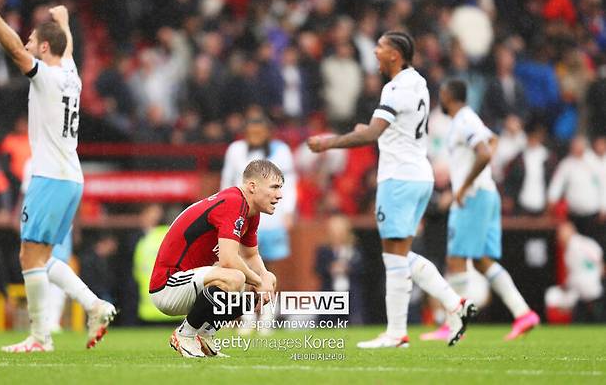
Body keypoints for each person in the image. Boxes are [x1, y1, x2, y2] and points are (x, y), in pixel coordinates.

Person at [307, 31, 476, 348]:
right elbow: (391, 130)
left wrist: (328, 143)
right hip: (419, 174)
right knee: (400, 255)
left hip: (398, 178)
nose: (375, 50)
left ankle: (426, 318)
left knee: (395, 257)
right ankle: (434, 314)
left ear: (395, 55)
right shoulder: (420, 83)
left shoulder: (395, 88)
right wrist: (372, 132)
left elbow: (373, 134)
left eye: (381, 46)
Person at [0, 0, 116, 353]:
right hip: (70, 178)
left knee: (29, 257)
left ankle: (40, 337)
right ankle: (94, 305)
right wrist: (64, 19)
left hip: (50, 177)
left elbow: (15, 51)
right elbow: (67, 49)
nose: (27, 44)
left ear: (44, 46)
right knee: (39, 255)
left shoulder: (48, 77)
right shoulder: (71, 75)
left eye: (33, 40)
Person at [420, 79, 540, 342]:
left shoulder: (463, 119)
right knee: (482, 261)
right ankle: (523, 313)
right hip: (486, 194)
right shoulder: (468, 120)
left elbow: (484, 152)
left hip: (473, 197)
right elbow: (492, 141)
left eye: (442, 95)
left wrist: (464, 186)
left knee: (456, 258)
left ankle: (455, 324)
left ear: (450, 97)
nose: (440, 100)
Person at [150, 159, 281, 358]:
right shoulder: (234, 202)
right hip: (167, 286)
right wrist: (258, 280)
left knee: (264, 279)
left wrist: (264, 278)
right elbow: (229, 260)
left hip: (191, 282)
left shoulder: (251, 212)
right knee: (235, 278)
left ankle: (204, 334)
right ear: (252, 186)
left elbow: (251, 255)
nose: (279, 195)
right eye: (274, 187)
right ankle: (184, 334)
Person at [220, 114, 296, 333]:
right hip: (242, 216)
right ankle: (246, 317)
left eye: (259, 133)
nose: (255, 137)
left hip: (273, 218)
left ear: (268, 133)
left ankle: (268, 316)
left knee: (268, 267)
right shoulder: (235, 150)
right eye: (251, 133)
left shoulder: (281, 151)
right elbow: (227, 180)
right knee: (241, 266)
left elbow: (289, 183)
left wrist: (289, 211)